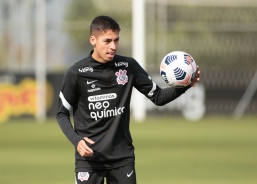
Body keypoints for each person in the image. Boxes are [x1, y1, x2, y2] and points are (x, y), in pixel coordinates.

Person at [56, 15, 200, 184]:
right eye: (107, 41)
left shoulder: (128, 66)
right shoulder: (76, 73)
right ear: (93, 40)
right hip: (89, 160)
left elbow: (158, 97)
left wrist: (186, 86)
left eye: (116, 40)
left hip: (122, 158)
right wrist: (77, 141)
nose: (113, 46)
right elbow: (61, 114)